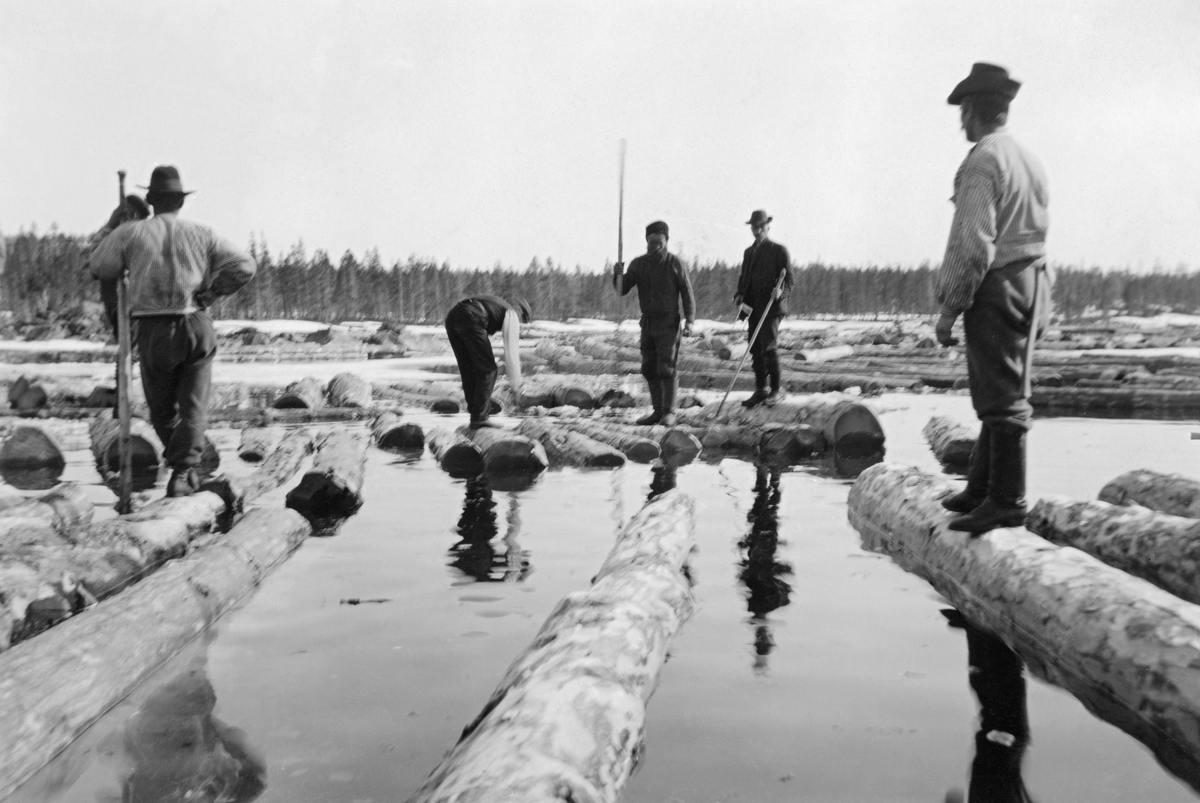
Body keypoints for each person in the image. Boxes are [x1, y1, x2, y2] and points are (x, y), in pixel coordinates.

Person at [90, 165, 257, 498]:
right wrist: (213, 292)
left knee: (163, 411)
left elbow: (99, 266)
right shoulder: (203, 233)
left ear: (151, 200)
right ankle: (183, 471)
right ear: (180, 202)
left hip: (155, 329)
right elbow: (245, 266)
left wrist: (114, 231)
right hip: (195, 324)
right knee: (193, 407)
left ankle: (182, 470)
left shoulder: (131, 233)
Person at [935, 63, 1051, 534]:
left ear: (973, 111)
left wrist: (948, 308)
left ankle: (1006, 501)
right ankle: (981, 487)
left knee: (1001, 401)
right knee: (998, 389)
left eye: (962, 111)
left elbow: (972, 242)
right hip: (1034, 280)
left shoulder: (984, 160)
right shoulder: (1027, 157)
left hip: (998, 283)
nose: (960, 121)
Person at [613, 220, 696, 426]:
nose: (654, 246)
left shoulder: (675, 263)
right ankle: (657, 411)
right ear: (646, 241)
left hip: (669, 322)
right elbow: (622, 289)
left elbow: (687, 293)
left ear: (666, 241)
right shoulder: (639, 264)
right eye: (651, 242)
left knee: (666, 366)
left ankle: (669, 412)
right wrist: (617, 274)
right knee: (649, 367)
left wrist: (690, 321)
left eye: (659, 242)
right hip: (648, 323)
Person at [444, 294, 531, 429]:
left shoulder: (497, 305)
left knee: (468, 369)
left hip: (453, 316)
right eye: (521, 322)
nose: (519, 325)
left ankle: (475, 413)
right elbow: (511, 354)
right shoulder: (512, 314)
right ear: (520, 313)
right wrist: (515, 387)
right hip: (471, 317)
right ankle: (479, 418)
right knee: (488, 370)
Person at [735, 210, 793, 407]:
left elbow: (790, 281)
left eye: (760, 227)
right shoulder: (749, 252)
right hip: (753, 307)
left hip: (772, 307)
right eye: (754, 227)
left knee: (768, 347)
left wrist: (781, 293)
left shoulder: (779, 250)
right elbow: (744, 279)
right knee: (754, 348)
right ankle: (761, 389)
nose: (757, 230)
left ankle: (777, 390)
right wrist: (739, 296)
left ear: (767, 226)